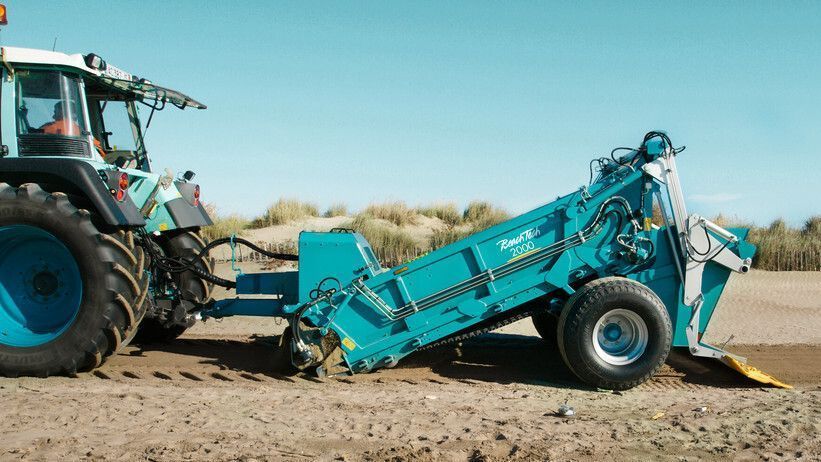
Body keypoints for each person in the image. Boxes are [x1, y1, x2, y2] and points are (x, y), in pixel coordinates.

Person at [39, 101, 107, 159]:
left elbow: (32, 140)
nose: (53, 116)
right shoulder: (83, 132)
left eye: (55, 112)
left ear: (63, 112)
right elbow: (100, 154)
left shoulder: (49, 128)